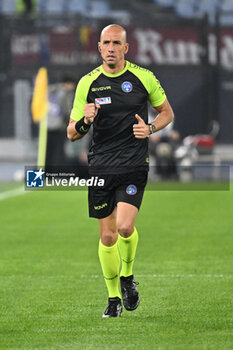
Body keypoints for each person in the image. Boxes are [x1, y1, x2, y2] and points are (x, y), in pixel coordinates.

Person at [67, 24, 174, 318]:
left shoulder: (143, 78)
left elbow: (167, 112)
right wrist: (85, 121)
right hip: (101, 166)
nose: (111, 47)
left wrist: (150, 128)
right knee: (108, 238)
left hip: (133, 164)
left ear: (126, 48)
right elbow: (71, 133)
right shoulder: (86, 84)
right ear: (99, 48)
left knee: (125, 227)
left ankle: (127, 276)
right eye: (106, 43)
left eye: (117, 43)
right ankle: (113, 299)